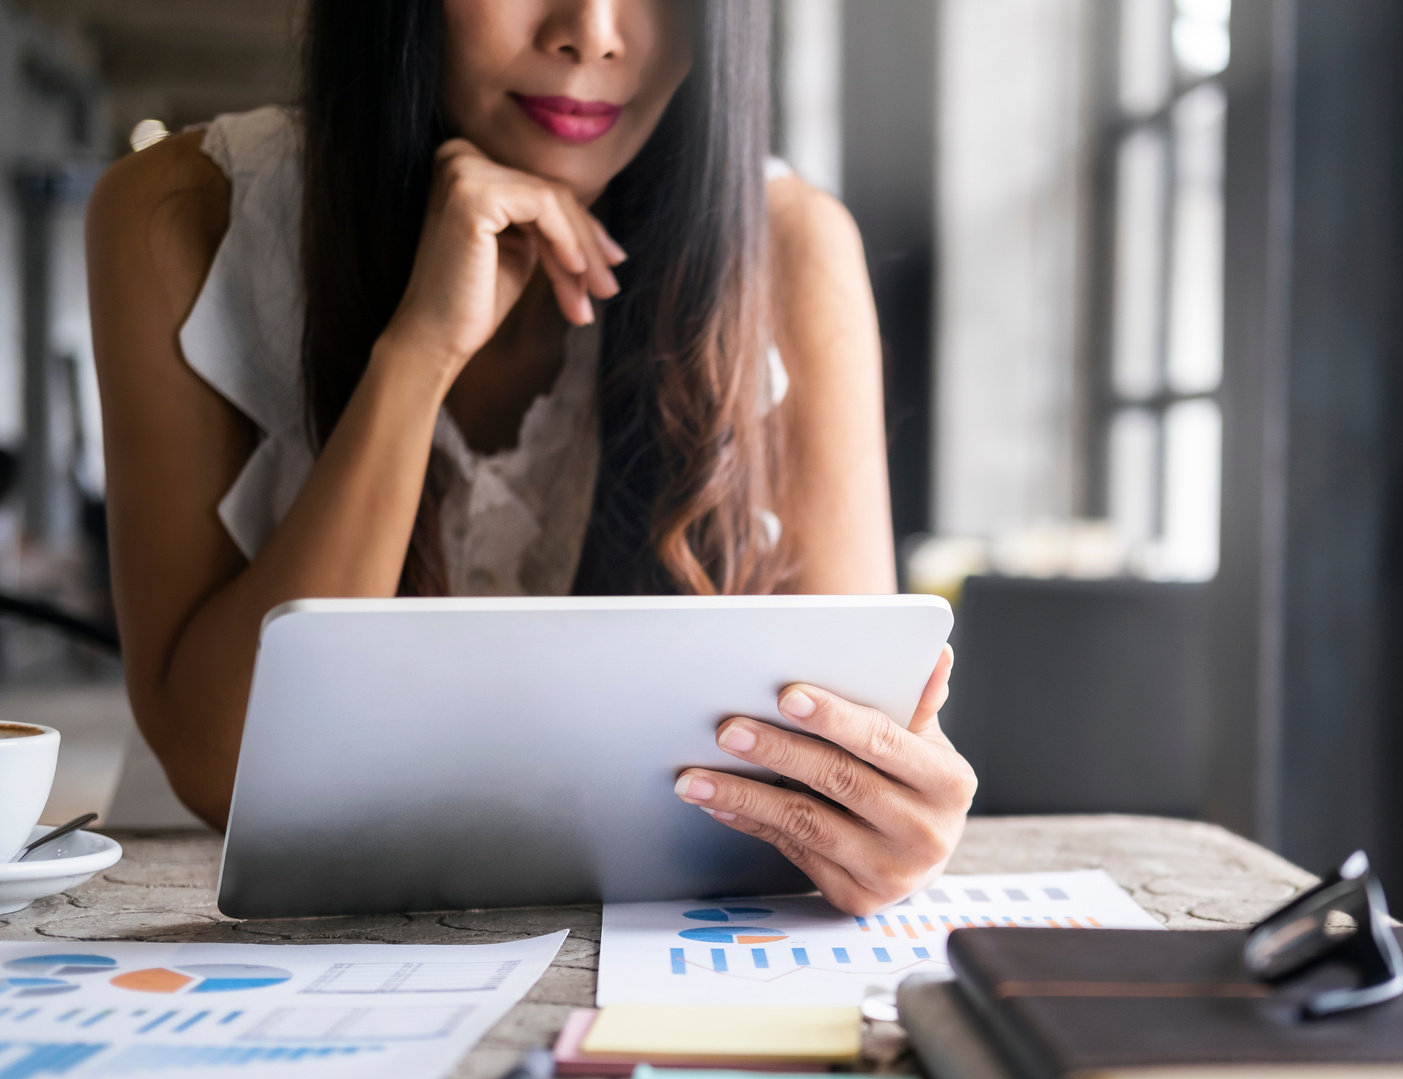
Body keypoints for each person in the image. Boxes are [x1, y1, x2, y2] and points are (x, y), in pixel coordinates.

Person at [85, 0, 974, 915]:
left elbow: (845, 760)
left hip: (634, 941)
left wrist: (885, 818)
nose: (591, 30)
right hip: (221, 928)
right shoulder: (183, 215)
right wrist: (418, 355)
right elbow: (221, 772)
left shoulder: (791, 246)